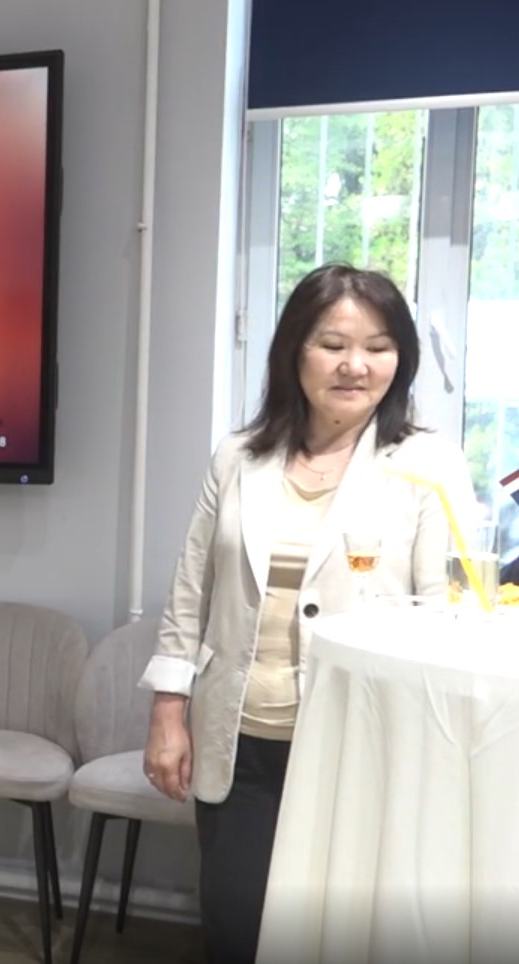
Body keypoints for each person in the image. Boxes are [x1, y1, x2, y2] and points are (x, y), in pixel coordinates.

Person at [138, 263, 475, 964]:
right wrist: (168, 713)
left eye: (378, 347)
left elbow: (450, 621)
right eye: (332, 344)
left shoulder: (428, 465)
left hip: (363, 744)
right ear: (294, 351)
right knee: (236, 929)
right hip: (240, 742)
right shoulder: (239, 457)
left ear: (400, 359)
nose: (355, 365)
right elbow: (189, 593)